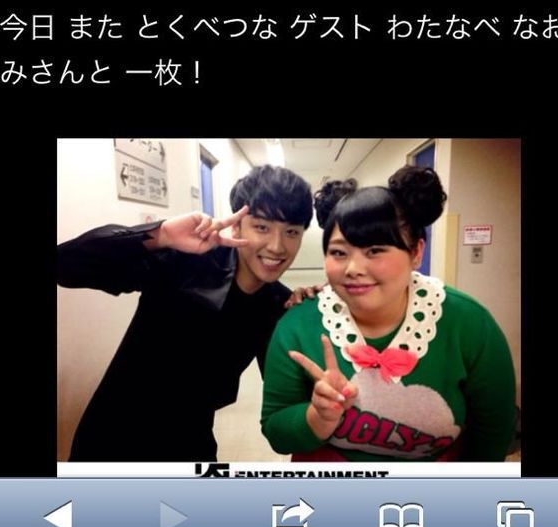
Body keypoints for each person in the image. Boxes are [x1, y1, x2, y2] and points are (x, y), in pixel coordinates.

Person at [58, 164, 313, 461]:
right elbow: (66, 266)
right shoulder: (185, 262)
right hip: (115, 436)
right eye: (262, 227)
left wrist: (320, 318)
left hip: (191, 441)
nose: (277, 246)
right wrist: (161, 235)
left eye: (291, 232)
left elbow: (287, 401)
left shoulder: (279, 306)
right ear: (236, 226)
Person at [261, 166, 516, 462]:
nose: (353, 268)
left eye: (375, 250)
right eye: (339, 252)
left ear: (416, 252)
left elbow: (493, 431)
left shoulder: (468, 324)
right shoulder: (297, 326)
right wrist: (317, 417)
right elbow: (276, 429)